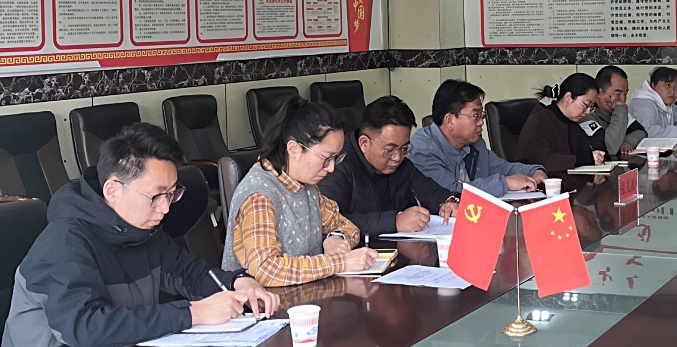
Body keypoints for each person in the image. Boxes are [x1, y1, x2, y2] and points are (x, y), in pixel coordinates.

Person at [0, 123, 279, 347]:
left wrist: (238, 282)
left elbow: (189, 273)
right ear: (112, 190)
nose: (165, 208)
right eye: (156, 196)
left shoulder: (141, 230)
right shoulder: (64, 243)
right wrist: (192, 313)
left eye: (171, 194)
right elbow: (86, 328)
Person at [222, 97, 379, 285]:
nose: (331, 168)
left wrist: (336, 238)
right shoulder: (259, 195)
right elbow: (266, 269)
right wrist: (340, 262)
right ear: (294, 149)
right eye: (326, 158)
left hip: (306, 295)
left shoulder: (306, 186)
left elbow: (347, 226)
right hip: (261, 301)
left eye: (336, 158)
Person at [319, 95, 459, 238]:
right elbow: (329, 223)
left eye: (404, 149)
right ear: (364, 143)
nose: (397, 158)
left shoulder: (401, 164)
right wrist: (395, 222)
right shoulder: (337, 166)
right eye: (389, 150)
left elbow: (428, 189)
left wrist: (448, 202)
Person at [410, 80, 547, 198]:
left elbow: (500, 167)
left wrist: (533, 171)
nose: (481, 122)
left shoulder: (475, 144)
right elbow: (448, 191)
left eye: (482, 116)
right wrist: (504, 183)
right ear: (450, 120)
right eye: (475, 116)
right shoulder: (423, 150)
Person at [518, 73, 607, 173]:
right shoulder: (541, 120)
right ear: (568, 97)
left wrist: (596, 155)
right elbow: (544, 161)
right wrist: (585, 159)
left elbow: (586, 150)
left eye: (591, 107)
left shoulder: (571, 122)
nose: (587, 112)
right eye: (586, 105)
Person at [582, 65, 646, 158]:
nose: (623, 99)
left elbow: (640, 131)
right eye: (617, 93)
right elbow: (610, 147)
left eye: (625, 94)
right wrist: (620, 109)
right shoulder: (586, 114)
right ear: (599, 92)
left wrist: (627, 141)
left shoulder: (618, 111)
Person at [628, 67, 677, 140]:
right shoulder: (642, 104)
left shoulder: (669, 106)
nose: (672, 91)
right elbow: (646, 132)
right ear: (653, 85)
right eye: (668, 85)